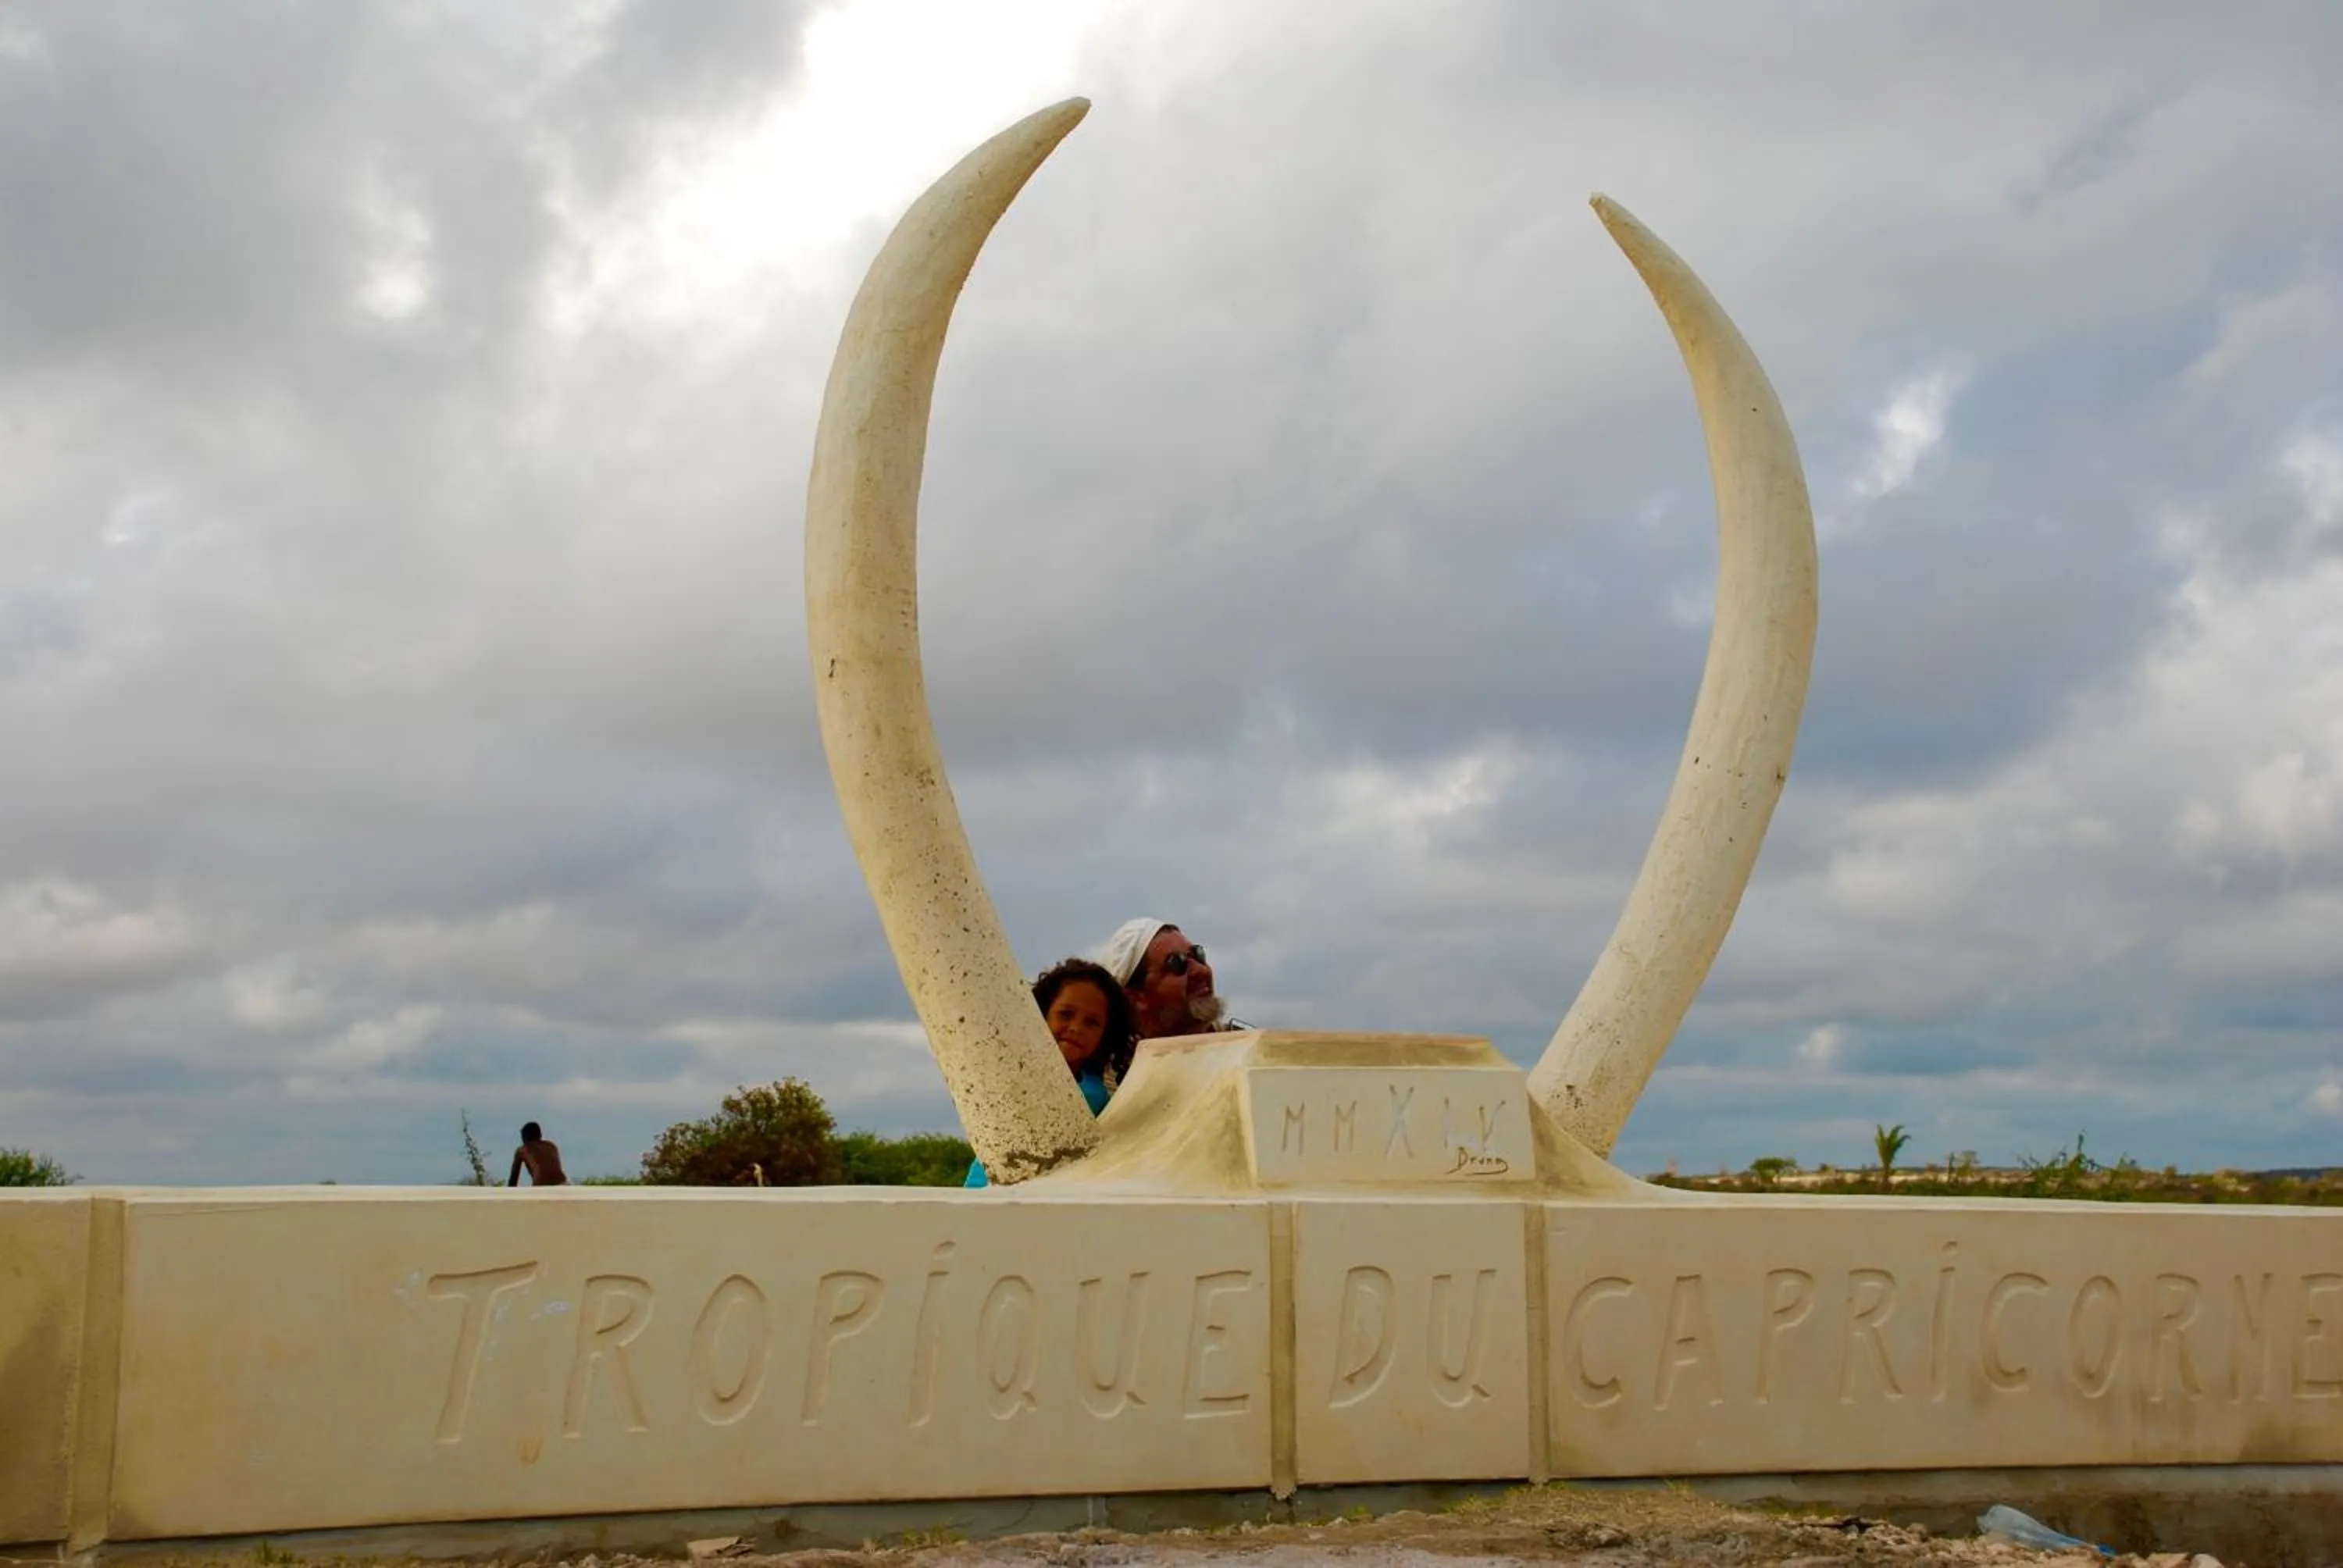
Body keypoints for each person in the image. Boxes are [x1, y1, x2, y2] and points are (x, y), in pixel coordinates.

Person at [964, 957, 1137, 1188]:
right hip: (985, 1189)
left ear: (1106, 1034)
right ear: (1042, 1015)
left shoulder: (1099, 1097)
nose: (1076, 1028)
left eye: (1092, 1023)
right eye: (1066, 1015)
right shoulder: (1016, 1075)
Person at [1100, 918, 1246, 1041]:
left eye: (1198, 955)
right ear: (1136, 998)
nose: (1201, 970)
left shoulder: (1247, 1047)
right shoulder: (1110, 1072)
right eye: (1177, 963)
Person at [508, 1122, 569, 1187]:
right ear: (540, 1135)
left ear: (525, 1137)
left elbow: (513, 1180)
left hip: (541, 1185)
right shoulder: (551, 1146)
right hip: (562, 1183)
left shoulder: (523, 1150)